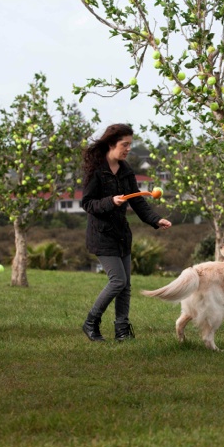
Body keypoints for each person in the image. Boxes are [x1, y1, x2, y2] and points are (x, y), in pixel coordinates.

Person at [81, 123, 172, 342]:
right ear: (111, 144)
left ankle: (122, 330)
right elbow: (88, 203)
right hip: (101, 235)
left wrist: (156, 219)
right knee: (118, 281)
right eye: (125, 144)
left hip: (122, 234)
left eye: (130, 144)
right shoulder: (96, 170)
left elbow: (138, 201)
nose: (128, 148)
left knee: (126, 286)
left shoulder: (126, 170)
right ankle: (91, 322)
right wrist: (110, 201)